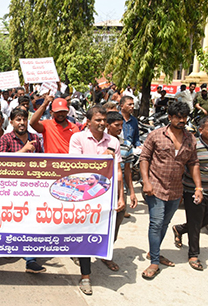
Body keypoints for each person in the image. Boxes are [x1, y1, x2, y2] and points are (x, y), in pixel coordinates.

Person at [140, 101, 203, 280]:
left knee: (165, 224)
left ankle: (154, 252)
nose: (182, 120)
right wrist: (146, 182)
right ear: (170, 117)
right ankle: (154, 262)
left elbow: (193, 163)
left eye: (184, 117)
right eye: (178, 117)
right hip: (155, 187)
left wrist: (198, 187)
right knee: (156, 223)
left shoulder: (190, 138)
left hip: (176, 190)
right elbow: (144, 158)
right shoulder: (156, 135)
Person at [68, 105, 125, 295]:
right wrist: (102, 158)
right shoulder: (78, 138)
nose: (102, 123)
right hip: (85, 195)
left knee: (105, 231)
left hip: (107, 195)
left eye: (104, 120)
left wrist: (121, 196)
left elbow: (117, 171)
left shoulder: (113, 141)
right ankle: (85, 277)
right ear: (89, 121)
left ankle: (102, 255)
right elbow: (77, 167)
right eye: (98, 120)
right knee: (85, 232)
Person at [173, 116, 208, 271]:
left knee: (207, 219)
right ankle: (193, 254)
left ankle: (180, 229)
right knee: (196, 223)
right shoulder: (193, 145)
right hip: (192, 190)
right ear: (201, 129)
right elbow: (182, 166)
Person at [0, 107, 44, 273]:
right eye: (18, 120)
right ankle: (7, 246)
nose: (22, 123)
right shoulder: (6, 139)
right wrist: (23, 151)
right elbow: (1, 163)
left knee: (30, 223)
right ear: (11, 122)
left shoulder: (35, 138)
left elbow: (42, 160)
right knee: (11, 220)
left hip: (31, 187)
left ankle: (30, 260)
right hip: (11, 188)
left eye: (24, 119)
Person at [104, 111, 138, 271]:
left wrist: (131, 192)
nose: (120, 128)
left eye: (121, 125)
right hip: (100, 192)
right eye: (116, 125)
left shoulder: (126, 146)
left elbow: (127, 172)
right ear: (107, 125)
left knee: (114, 227)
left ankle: (106, 255)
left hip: (118, 191)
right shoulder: (100, 144)